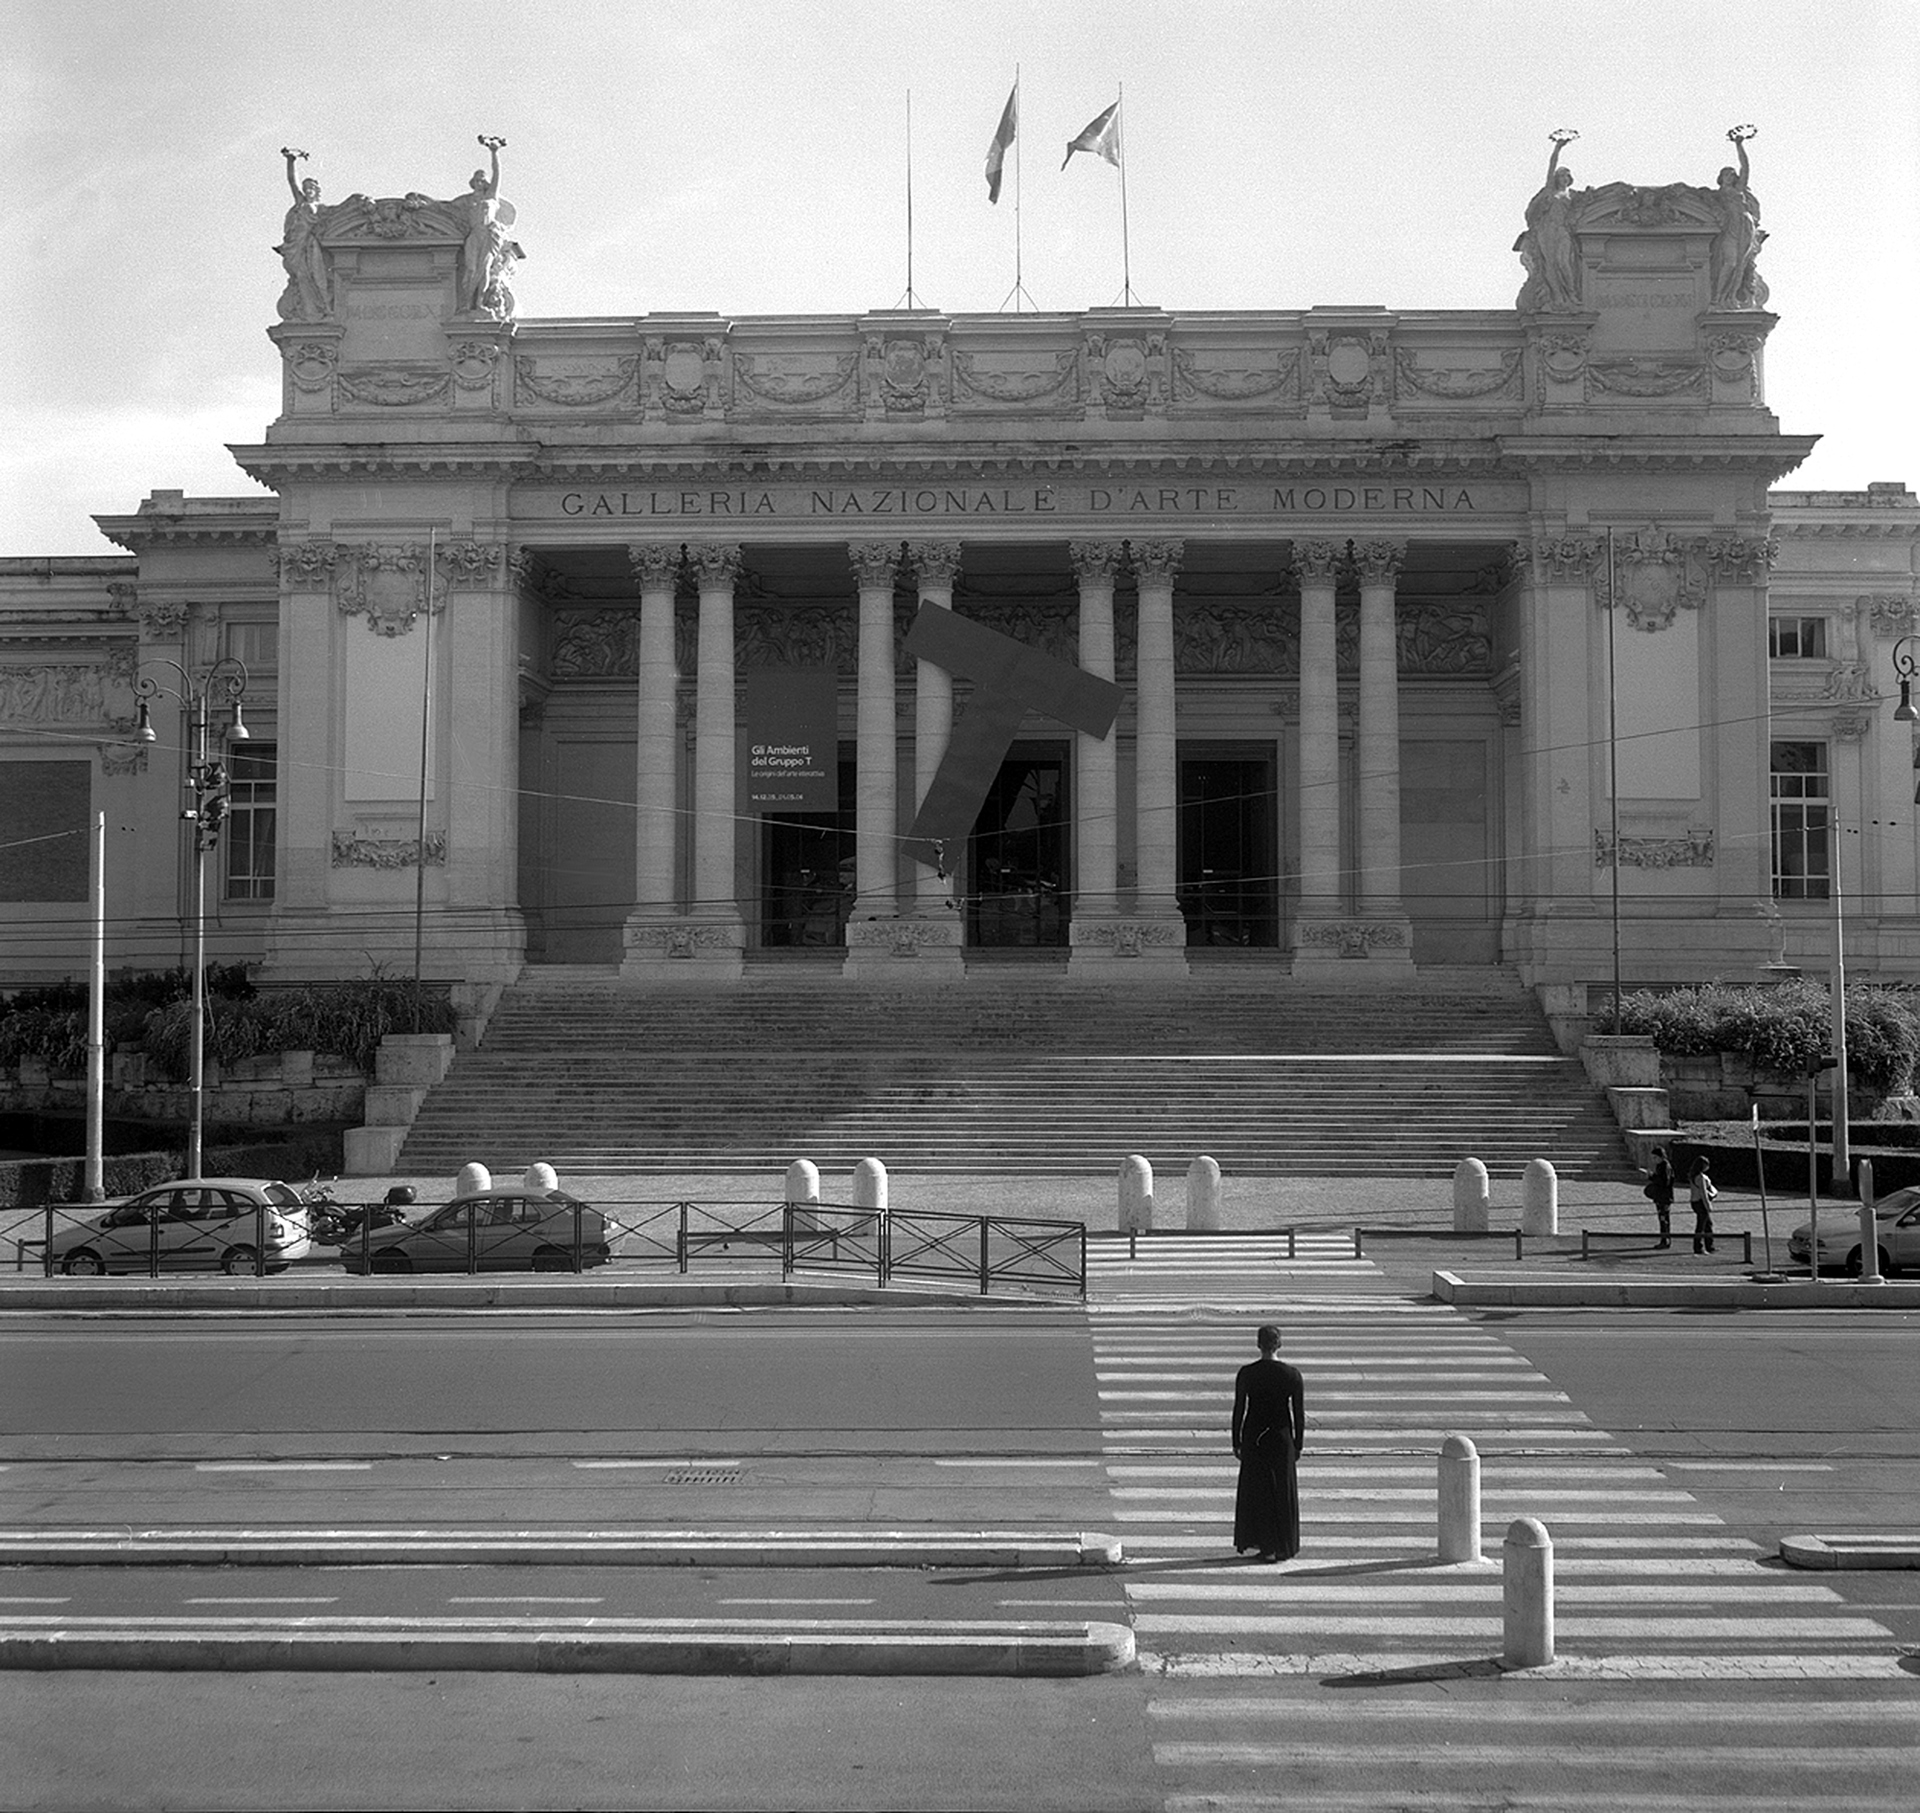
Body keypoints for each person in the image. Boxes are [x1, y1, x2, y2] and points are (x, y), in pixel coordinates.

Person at [1231, 1323, 1305, 1563]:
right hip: (1281, 1438)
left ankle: (1265, 1544)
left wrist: (1236, 1441)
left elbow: (1239, 1409)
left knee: (1259, 1491)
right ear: (1279, 1344)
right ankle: (1282, 1544)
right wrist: (1298, 1444)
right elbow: (1298, 1414)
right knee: (1281, 1491)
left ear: (1258, 1344)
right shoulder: (1292, 1375)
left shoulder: (1247, 1373)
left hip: (1255, 1436)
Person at [276, 147, 332, 321]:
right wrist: (291, 161)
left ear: (317, 191)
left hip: (309, 245)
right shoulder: (301, 203)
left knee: (316, 276)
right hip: (295, 244)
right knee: (301, 276)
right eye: (306, 188)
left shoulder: (321, 209)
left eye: (311, 188)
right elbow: (292, 181)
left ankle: (325, 307)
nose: (308, 190)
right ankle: (314, 309)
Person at [1643, 1145, 1675, 1249]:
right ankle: (1665, 1239)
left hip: (1664, 1197)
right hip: (1661, 1196)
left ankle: (1665, 1240)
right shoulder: (1661, 1166)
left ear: (1661, 1156)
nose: (1654, 1160)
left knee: (1663, 1218)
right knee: (1663, 1218)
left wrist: (1652, 1176)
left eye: (1655, 1157)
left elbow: (1664, 1182)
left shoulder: (1665, 1166)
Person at [1688, 1153, 1718, 1254]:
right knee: (1701, 1225)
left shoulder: (1693, 1176)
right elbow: (1703, 1193)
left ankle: (1710, 1246)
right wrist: (1708, 1205)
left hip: (1694, 1201)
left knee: (1707, 1224)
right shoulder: (1700, 1177)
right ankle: (1698, 1247)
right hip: (1700, 1202)